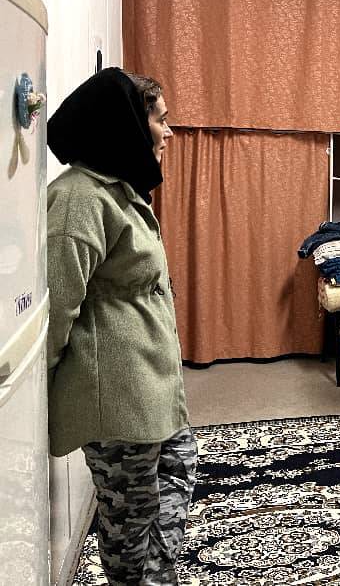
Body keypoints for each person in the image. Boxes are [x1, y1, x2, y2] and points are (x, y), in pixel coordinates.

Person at [46, 67, 196, 585]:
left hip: (150, 381)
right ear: (128, 124)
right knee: (129, 521)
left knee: (177, 470)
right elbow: (58, 304)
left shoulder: (120, 189)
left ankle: (158, 576)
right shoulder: (79, 198)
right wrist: (42, 390)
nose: (168, 132)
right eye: (161, 120)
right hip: (116, 393)